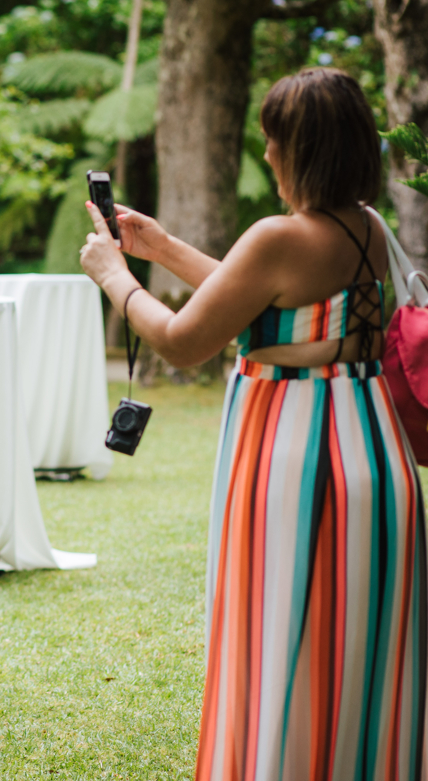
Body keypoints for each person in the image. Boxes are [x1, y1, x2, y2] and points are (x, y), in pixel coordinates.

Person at [79, 67, 425, 779]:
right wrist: (165, 247)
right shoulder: (367, 226)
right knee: (356, 644)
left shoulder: (280, 235)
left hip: (295, 456)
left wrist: (114, 275)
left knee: (280, 636)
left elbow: (183, 341)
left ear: (302, 149)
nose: (266, 154)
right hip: (372, 451)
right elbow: (268, 300)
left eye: (273, 141)